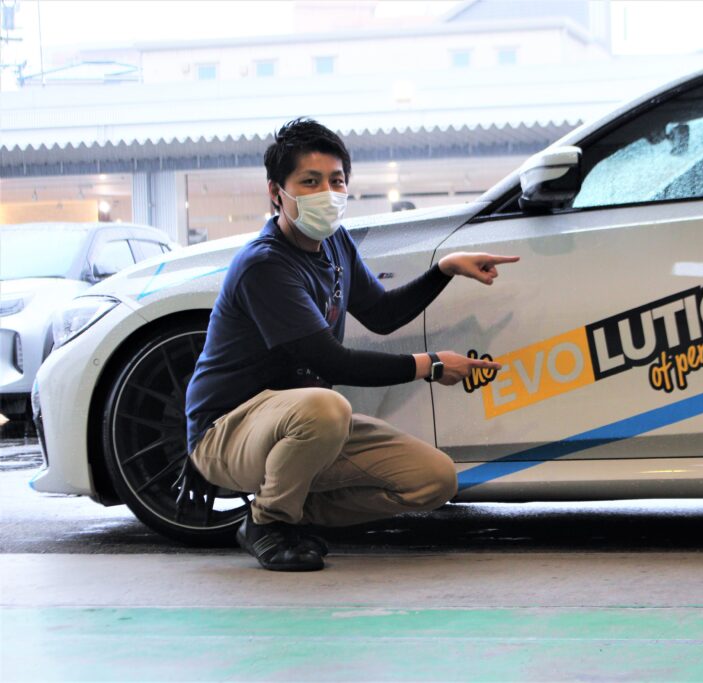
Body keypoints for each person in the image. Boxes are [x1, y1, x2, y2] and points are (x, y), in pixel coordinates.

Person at [184, 118, 516, 572]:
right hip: (228, 430)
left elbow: (381, 314)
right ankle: (268, 522)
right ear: (276, 192)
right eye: (310, 182)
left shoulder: (335, 242)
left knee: (434, 480)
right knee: (326, 406)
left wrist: (444, 269)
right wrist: (432, 365)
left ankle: (290, 509)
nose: (327, 192)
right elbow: (330, 361)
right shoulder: (265, 265)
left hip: (302, 429)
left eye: (336, 181)